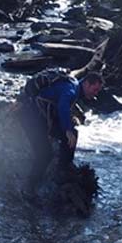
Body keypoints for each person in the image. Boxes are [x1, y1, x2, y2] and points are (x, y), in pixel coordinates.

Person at [18, 69, 103, 197]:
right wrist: (67, 130)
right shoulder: (72, 89)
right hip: (30, 116)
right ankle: (28, 188)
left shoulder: (73, 86)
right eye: (94, 89)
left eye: (98, 91)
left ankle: (63, 168)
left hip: (39, 114)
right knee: (45, 154)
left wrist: (68, 130)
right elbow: (63, 106)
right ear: (86, 84)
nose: (95, 94)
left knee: (72, 134)